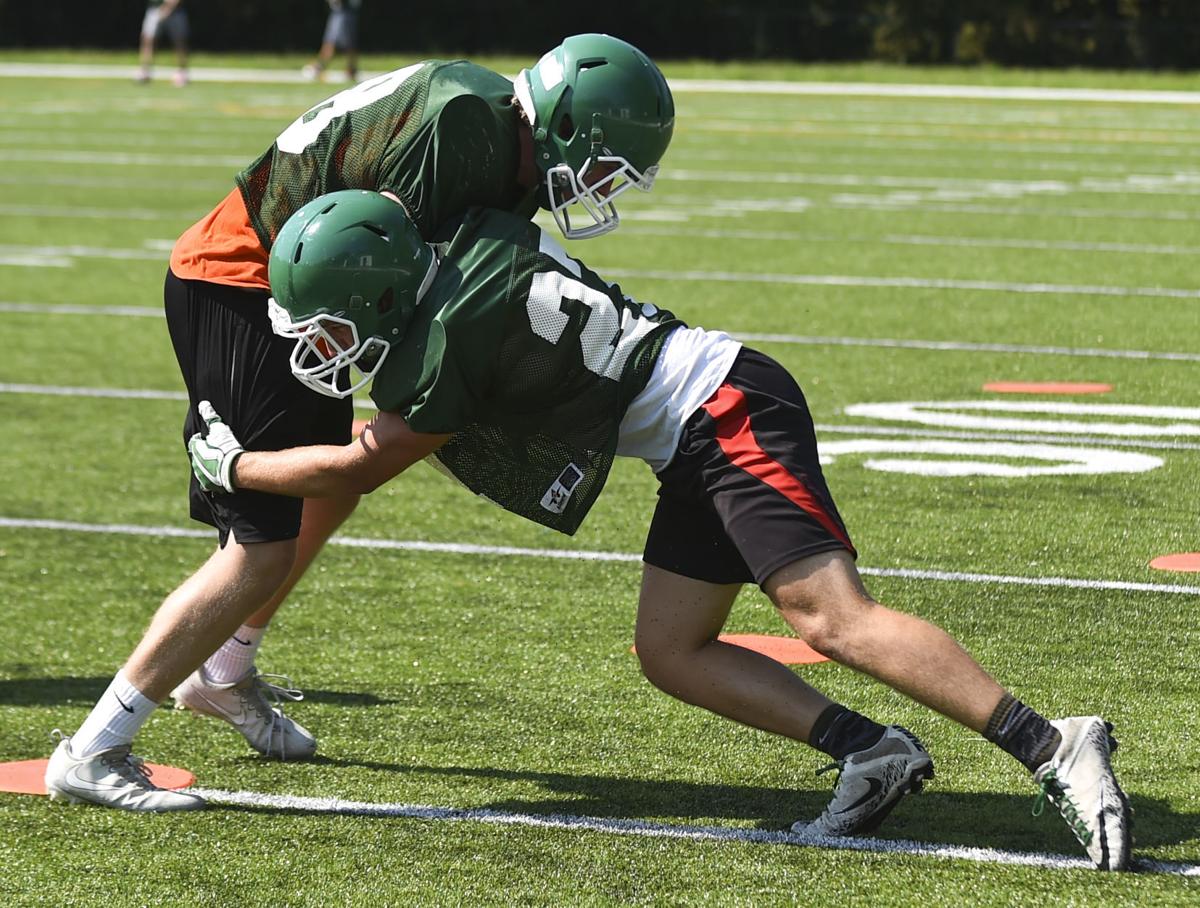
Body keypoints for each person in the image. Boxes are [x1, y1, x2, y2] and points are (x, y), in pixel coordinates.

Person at [182, 191, 1133, 870]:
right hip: (692, 430)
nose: (330, 345)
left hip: (725, 410)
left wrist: (231, 466)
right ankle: (870, 751)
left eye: (340, 321)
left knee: (828, 617)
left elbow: (355, 465)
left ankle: (1053, 746)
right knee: (671, 649)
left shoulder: (446, 349)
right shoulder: (476, 243)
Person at [44, 36, 675, 812]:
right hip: (249, 280)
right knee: (260, 551)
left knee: (334, 483)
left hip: (306, 286)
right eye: (606, 163)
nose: (601, 187)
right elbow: (379, 264)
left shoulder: (495, 134)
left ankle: (224, 672)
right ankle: (95, 748)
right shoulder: (464, 129)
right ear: (569, 125)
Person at [303, 0, 362, 84]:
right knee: (343, 42)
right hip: (340, 12)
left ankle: (319, 68)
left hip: (343, 12)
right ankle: (351, 70)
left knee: (333, 42)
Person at [137, 0, 190, 87]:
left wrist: (169, 7)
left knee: (179, 41)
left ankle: (182, 73)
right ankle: (145, 71)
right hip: (155, 9)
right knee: (148, 39)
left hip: (176, 11)